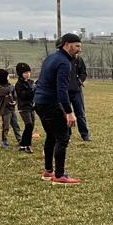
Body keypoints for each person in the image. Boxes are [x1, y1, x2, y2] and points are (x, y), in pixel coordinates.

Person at [33, 33, 81, 185]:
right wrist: (69, 112)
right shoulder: (64, 63)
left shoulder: (51, 58)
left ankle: (48, 171)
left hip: (39, 102)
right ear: (67, 45)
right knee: (63, 136)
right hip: (50, 103)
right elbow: (62, 90)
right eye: (77, 46)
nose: (79, 50)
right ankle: (59, 176)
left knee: (51, 135)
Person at [0, 68, 22, 149]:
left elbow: (14, 94)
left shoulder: (9, 85)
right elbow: (7, 90)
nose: (8, 77)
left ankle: (20, 140)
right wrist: (12, 88)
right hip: (5, 110)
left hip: (12, 108)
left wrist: (15, 101)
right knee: (6, 127)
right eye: (7, 76)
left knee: (16, 126)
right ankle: (4, 141)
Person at [69, 53, 91, 142]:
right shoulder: (61, 60)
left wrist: (79, 82)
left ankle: (85, 135)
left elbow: (83, 73)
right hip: (64, 91)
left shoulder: (78, 59)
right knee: (65, 114)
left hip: (77, 91)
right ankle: (67, 135)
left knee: (80, 114)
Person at [15, 62, 36, 153]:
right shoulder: (19, 84)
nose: (27, 74)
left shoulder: (31, 82)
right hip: (23, 107)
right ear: (21, 74)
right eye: (25, 73)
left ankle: (26, 144)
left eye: (28, 72)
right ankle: (24, 145)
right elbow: (24, 96)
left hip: (31, 107)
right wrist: (32, 89)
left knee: (31, 126)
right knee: (29, 124)